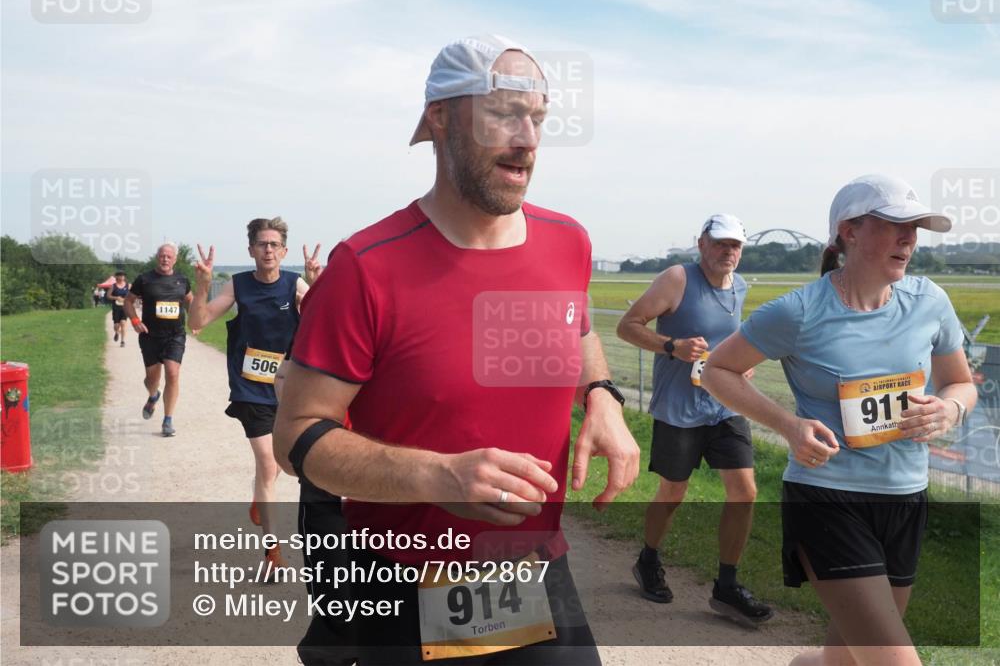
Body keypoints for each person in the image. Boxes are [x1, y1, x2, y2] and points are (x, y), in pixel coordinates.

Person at [273, 34, 640, 665]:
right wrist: (437, 475)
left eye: (538, 118)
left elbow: (575, 328)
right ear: (440, 117)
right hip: (400, 585)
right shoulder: (365, 266)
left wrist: (601, 396)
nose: (527, 138)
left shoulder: (567, 241)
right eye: (503, 113)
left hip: (533, 569)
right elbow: (296, 437)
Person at [702, 174, 977, 666]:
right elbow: (717, 371)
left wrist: (949, 408)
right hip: (827, 500)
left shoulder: (929, 300)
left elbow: (961, 383)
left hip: (905, 498)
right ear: (849, 231)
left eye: (914, 228)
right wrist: (788, 425)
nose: (909, 239)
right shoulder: (799, 311)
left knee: (845, 659)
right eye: (895, 225)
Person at [616, 213, 772, 626]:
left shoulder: (739, 286)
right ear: (701, 243)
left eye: (736, 245)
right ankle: (648, 560)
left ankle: (727, 586)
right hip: (678, 410)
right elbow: (627, 326)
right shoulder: (677, 279)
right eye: (720, 243)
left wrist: (739, 367)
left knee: (745, 491)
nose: (729, 251)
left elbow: (728, 345)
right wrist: (672, 346)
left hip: (725, 406)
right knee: (673, 493)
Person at [188, 218, 321, 574]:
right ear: (251, 250)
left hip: (289, 387)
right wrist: (202, 286)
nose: (267, 250)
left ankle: (261, 500)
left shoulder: (296, 284)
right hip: (250, 387)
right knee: (267, 462)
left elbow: (325, 320)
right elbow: (197, 321)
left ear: (284, 252)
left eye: (274, 244)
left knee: (280, 464)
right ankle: (273, 552)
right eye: (261, 244)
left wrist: (318, 284)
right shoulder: (238, 285)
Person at [124, 243, 193, 437]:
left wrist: (195, 320)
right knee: (151, 379)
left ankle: (168, 420)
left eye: (169, 256)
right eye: (162, 256)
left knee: (172, 374)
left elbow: (190, 301)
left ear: (175, 259)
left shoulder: (182, 280)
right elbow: (128, 302)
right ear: (157, 257)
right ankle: (153, 395)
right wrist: (135, 320)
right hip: (150, 336)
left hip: (175, 335)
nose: (165, 259)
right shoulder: (144, 279)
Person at [109, 271, 130, 347]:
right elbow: (108, 296)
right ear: (116, 277)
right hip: (116, 307)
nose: (122, 277)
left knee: (123, 323)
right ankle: (117, 332)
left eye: (123, 276)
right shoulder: (113, 286)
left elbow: (133, 294)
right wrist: (116, 297)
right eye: (120, 276)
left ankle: (122, 341)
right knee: (116, 325)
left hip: (125, 307)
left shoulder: (128, 285)